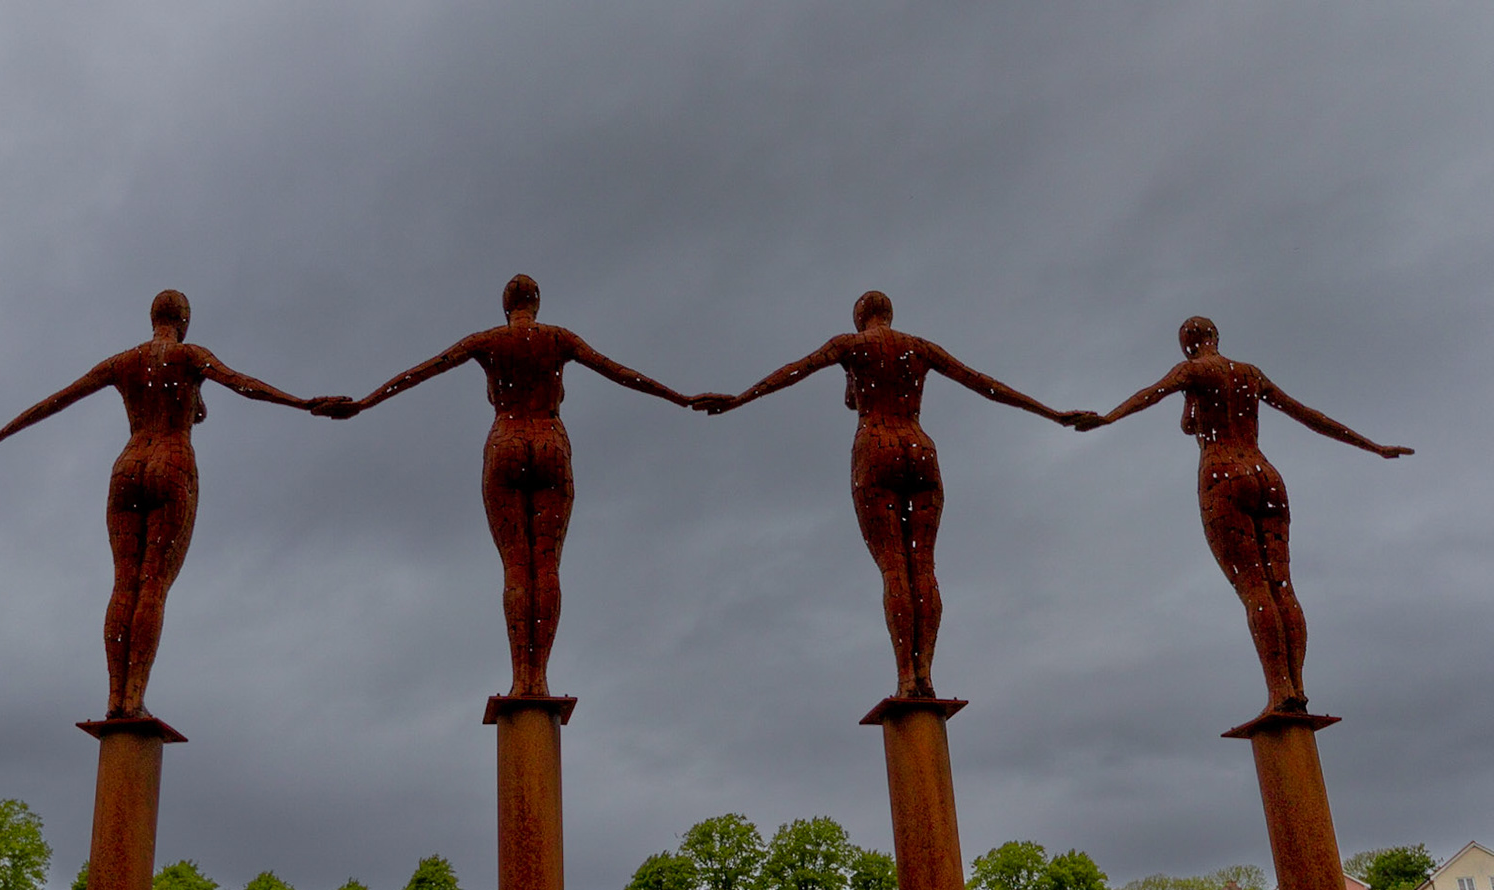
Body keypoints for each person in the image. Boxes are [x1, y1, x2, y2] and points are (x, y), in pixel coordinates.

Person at [0, 290, 342, 719]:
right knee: (152, 585)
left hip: (129, 465)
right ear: (185, 320)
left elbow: (57, 399)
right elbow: (242, 383)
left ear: (152, 316)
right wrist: (305, 404)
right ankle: (133, 698)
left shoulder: (124, 362)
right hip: (172, 462)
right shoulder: (191, 355)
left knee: (123, 584)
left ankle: (115, 697)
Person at [325, 274, 713, 697]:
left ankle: (521, 679)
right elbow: (622, 373)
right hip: (550, 442)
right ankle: (539, 678)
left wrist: (364, 403)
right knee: (545, 567)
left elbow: (420, 372)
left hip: (507, 440)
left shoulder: (487, 341)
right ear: (537, 303)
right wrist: (683, 398)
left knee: (516, 568)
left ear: (505, 305)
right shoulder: (559, 338)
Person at [698, 290, 1093, 699]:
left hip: (875, 447)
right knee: (923, 566)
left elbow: (795, 371)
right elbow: (985, 384)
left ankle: (906, 676)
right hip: (920, 448)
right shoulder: (919, 348)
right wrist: (1054, 414)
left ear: (859, 318)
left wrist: (739, 398)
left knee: (894, 570)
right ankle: (925, 673)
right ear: (888, 314)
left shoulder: (849, 345)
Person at [1078, 316, 1411, 713]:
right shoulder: (1249, 374)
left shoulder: (1193, 371)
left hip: (1222, 475)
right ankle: (1297, 687)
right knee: (1282, 587)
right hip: (1266, 475)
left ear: (1186, 345)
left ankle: (1281, 690)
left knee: (1255, 589)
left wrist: (1107, 418)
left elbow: (1151, 393)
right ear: (1216, 337)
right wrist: (1374, 447)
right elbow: (1307, 414)